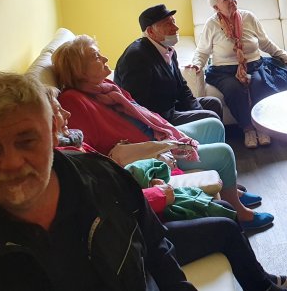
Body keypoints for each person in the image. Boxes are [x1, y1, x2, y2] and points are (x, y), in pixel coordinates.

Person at [0, 71, 196, 290]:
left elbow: (157, 251)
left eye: (27, 141)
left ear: (54, 131)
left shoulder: (105, 178)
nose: (12, 162)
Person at [45, 87, 287, 291]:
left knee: (224, 208)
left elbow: (116, 186)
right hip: (138, 236)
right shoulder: (66, 164)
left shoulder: (71, 147)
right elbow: (112, 206)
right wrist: (157, 194)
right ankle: (263, 286)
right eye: (58, 110)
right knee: (227, 227)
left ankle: (261, 280)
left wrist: (147, 183)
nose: (67, 114)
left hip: (145, 220)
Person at [52, 34, 274, 230]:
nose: (104, 58)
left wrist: (165, 132)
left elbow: (142, 113)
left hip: (155, 136)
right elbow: (94, 154)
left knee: (213, 125)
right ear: (79, 68)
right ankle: (239, 212)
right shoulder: (73, 101)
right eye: (95, 56)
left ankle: (230, 190)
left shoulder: (105, 88)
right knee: (224, 153)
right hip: (149, 154)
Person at [187, 0, 287, 149]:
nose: (232, 0)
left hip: (254, 64)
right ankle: (248, 128)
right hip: (224, 71)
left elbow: (265, 43)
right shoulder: (211, 24)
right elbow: (202, 51)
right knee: (233, 89)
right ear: (216, 7)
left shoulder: (248, 17)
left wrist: (286, 58)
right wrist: (197, 65)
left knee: (260, 83)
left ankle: (262, 126)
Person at [115, 4, 223, 126]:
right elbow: (138, 105)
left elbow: (182, 87)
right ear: (151, 31)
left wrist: (197, 109)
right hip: (156, 118)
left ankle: (211, 135)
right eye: (168, 24)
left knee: (214, 104)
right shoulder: (136, 57)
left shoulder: (168, 50)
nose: (176, 28)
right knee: (210, 117)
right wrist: (200, 116)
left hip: (170, 108)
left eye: (173, 22)